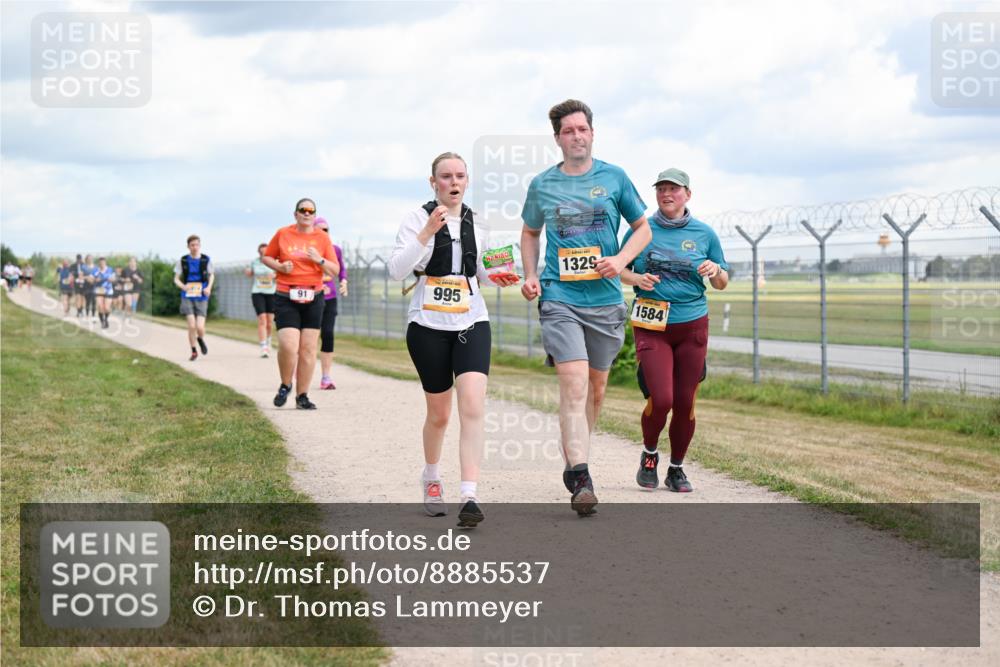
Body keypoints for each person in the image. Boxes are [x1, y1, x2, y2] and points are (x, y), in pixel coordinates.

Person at [519, 99, 652, 516]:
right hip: (560, 297)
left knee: (595, 389)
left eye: (583, 129)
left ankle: (575, 456)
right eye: (568, 131)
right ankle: (581, 475)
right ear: (557, 138)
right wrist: (530, 273)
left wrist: (621, 261)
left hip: (606, 301)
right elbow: (529, 232)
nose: (576, 136)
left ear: (592, 133)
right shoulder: (542, 185)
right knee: (574, 384)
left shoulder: (614, 178)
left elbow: (642, 229)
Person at [389, 152, 519, 527]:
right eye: (446, 176)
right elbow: (397, 270)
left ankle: (469, 495)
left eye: (460, 175)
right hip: (428, 326)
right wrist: (427, 232)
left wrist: (503, 277)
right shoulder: (416, 218)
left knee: (473, 406)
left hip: (472, 321)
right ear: (433, 182)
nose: (454, 182)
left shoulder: (478, 223)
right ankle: (431, 476)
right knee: (440, 414)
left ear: (468, 180)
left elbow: (484, 271)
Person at [622, 168, 728, 492]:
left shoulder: (705, 234)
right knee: (663, 398)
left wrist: (715, 271)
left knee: (685, 402)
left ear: (687, 195)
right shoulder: (642, 230)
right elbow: (617, 268)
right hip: (652, 325)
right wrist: (637, 279)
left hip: (692, 325)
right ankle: (650, 453)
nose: (667, 195)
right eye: (661, 189)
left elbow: (722, 282)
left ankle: (677, 469)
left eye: (674, 189)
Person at [261, 198, 339, 410]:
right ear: (295, 214)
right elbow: (267, 257)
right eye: (302, 210)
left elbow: (335, 269)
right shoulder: (283, 233)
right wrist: (280, 266)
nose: (307, 213)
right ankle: (286, 384)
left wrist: (319, 260)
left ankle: (302, 395)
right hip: (287, 295)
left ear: (314, 216)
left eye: (311, 211)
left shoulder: (322, 238)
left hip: (314, 296)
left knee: (308, 349)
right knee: (288, 344)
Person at [312, 217, 348, 389]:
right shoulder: (309, 251)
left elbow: (341, 268)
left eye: (326, 230)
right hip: (311, 299)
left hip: (330, 298)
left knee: (327, 334)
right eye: (319, 229)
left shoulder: (335, 250)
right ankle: (300, 367)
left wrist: (344, 282)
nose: (323, 233)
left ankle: (326, 377)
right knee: (309, 338)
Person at [172, 235, 215, 361]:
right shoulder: (183, 261)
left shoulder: (206, 260)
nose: (195, 247)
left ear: (199, 245)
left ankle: (200, 338)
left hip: (202, 294)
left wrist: (208, 288)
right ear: (188, 246)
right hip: (187, 295)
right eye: (192, 245)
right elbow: (176, 278)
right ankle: (194, 350)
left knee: (200, 327)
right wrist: (182, 286)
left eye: (196, 245)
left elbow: (212, 275)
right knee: (191, 326)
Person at [245, 243, 277, 357]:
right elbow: (249, 272)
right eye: (261, 252)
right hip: (258, 292)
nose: (263, 254)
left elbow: (281, 274)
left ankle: (268, 340)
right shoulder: (255, 262)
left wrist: (275, 276)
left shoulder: (274, 262)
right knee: (262, 320)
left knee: (269, 322)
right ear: (258, 253)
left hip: (271, 293)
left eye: (266, 252)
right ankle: (263, 346)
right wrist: (248, 271)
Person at [91, 257, 116, 329]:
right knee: (100, 306)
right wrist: (95, 280)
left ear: (105, 263)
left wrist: (112, 279)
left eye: (103, 263)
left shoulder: (110, 269)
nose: (102, 264)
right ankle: (103, 322)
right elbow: (90, 279)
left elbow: (114, 279)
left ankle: (106, 319)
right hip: (99, 290)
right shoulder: (95, 270)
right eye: (100, 263)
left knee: (107, 308)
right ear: (99, 263)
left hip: (108, 290)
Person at [79, 255, 97, 319]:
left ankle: (93, 316)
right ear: (86, 259)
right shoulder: (83, 267)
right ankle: (87, 315)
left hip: (94, 286)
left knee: (94, 301)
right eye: (88, 259)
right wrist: (87, 277)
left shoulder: (96, 267)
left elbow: (98, 276)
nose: (90, 260)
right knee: (88, 301)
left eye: (91, 258)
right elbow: (80, 277)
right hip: (86, 286)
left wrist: (93, 279)